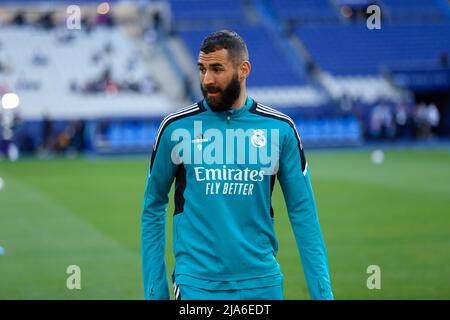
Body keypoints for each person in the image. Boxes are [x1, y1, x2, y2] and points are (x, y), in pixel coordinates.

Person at [141, 30, 333, 300]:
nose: (207, 79)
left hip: (262, 285)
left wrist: (323, 295)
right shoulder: (176, 129)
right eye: (202, 69)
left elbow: (303, 213)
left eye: (216, 69)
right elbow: (153, 205)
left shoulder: (280, 130)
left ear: (244, 69)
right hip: (197, 286)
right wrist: (155, 292)